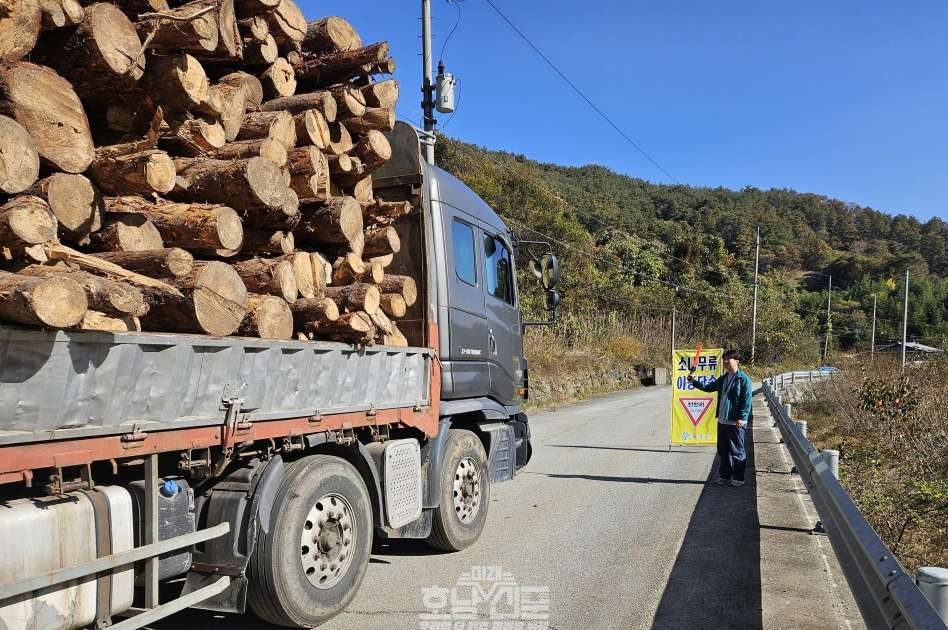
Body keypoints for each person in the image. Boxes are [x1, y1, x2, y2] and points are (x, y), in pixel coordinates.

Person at [687, 349, 753, 487]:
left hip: (736, 422)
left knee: (737, 451)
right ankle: (725, 476)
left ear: (737, 361)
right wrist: (694, 381)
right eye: (724, 359)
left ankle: (738, 478)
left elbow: (746, 400)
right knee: (723, 451)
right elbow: (708, 387)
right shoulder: (723, 378)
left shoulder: (744, 379)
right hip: (722, 420)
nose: (725, 361)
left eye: (728, 359)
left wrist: (742, 417)